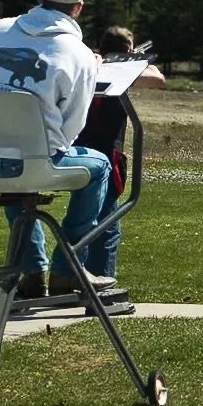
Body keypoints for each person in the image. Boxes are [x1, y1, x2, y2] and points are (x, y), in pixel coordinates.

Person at [0, 0, 115, 298]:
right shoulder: (77, 52)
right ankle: (68, 270)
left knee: (11, 158)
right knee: (98, 167)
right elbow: (73, 126)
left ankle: (32, 272)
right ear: (79, 7)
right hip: (34, 161)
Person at [74, 25, 165, 279]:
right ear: (126, 49)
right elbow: (157, 77)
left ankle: (78, 278)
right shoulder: (114, 69)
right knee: (106, 226)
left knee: (85, 220)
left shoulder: (89, 64)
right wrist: (132, 61)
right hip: (107, 155)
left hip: (80, 151)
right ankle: (100, 283)